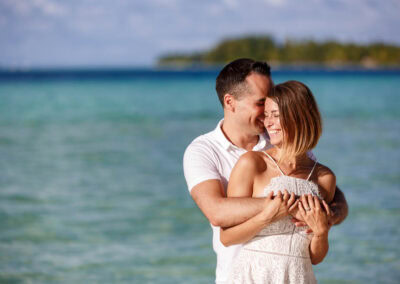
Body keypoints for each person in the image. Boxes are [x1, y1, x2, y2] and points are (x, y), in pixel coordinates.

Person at [183, 58, 348, 284]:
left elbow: (331, 196)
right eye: (261, 103)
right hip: (242, 273)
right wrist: (287, 207)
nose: (267, 116)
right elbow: (217, 212)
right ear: (230, 102)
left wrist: (327, 219)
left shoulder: (287, 145)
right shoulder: (204, 151)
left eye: (274, 109)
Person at [221, 80, 334, 283]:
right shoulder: (252, 163)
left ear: (298, 117)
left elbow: (315, 257)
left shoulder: (324, 177)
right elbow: (227, 237)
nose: (267, 122)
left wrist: (321, 232)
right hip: (254, 275)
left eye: (275, 115)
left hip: (299, 276)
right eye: (266, 115)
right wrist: (267, 217)